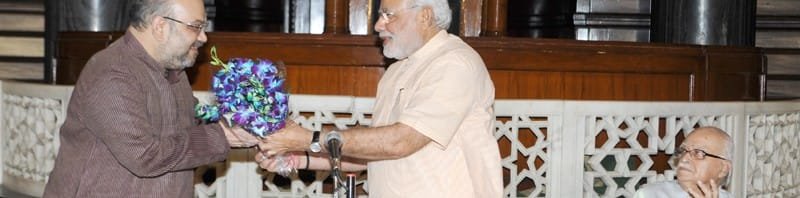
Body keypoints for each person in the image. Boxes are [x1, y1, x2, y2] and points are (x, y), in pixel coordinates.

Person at [254, 0, 502, 197]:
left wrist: (309, 139)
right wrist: (299, 157)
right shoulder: (397, 70)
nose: (378, 26)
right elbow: (375, 151)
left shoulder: (454, 64)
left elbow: (400, 142)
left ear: (425, 16)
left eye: (388, 15)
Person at [43, 0, 259, 197]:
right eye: (195, 27)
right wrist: (223, 137)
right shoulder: (112, 72)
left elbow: (191, 122)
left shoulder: (173, 70)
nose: (203, 37)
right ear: (160, 26)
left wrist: (245, 123)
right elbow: (144, 155)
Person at [634, 126, 733, 198]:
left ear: (723, 169)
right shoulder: (649, 195)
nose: (684, 159)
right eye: (683, 151)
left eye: (698, 153)